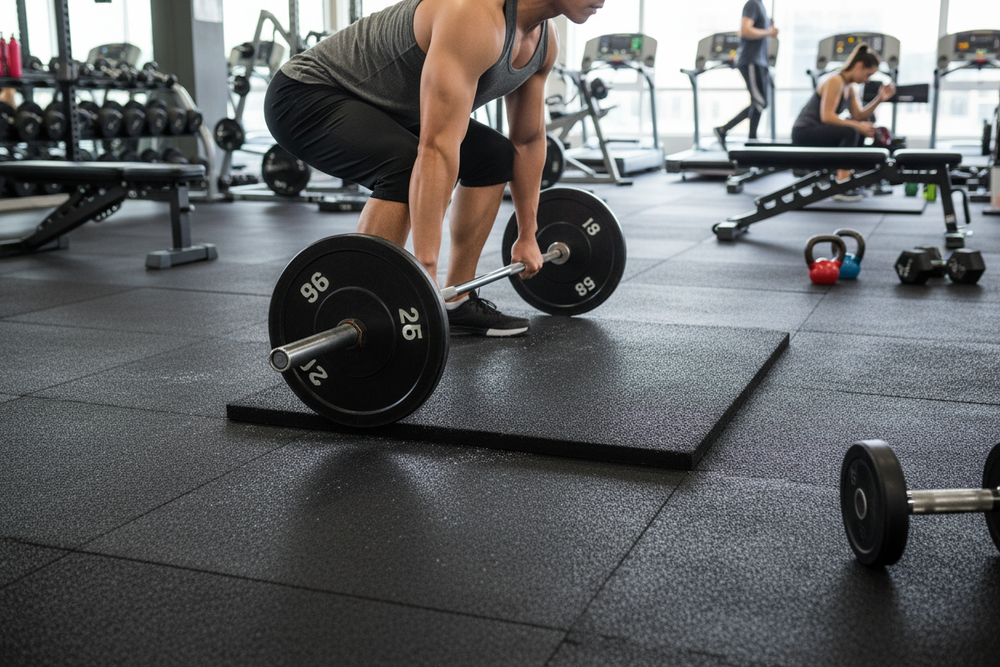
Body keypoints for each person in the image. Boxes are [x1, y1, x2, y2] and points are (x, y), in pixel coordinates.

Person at [264, 0, 606, 337]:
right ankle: (362, 303)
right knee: (402, 164)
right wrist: (424, 270)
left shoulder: (544, 42)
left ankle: (456, 299)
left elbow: (528, 141)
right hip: (307, 94)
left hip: (391, 108)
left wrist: (528, 235)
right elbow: (437, 147)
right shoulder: (472, 15)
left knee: (493, 155)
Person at [790, 42, 896, 200]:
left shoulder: (850, 87)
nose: (867, 80)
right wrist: (857, 126)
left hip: (819, 131)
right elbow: (827, 116)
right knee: (852, 131)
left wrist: (880, 99)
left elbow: (859, 116)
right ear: (859, 66)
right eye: (867, 75)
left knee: (860, 131)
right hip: (804, 132)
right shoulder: (835, 81)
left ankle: (849, 179)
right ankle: (842, 185)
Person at [713, 0, 777, 151]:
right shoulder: (753, 4)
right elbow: (745, 31)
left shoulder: (760, 6)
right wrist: (768, 32)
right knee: (759, 101)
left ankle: (723, 130)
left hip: (759, 61)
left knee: (762, 102)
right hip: (750, 60)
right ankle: (752, 140)